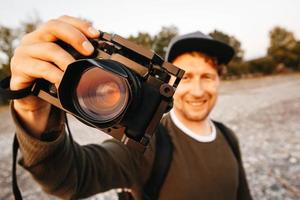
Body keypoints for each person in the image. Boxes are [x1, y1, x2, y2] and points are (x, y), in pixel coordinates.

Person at [10, 15, 252, 200]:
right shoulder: (148, 145)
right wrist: (32, 111)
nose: (198, 91)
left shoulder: (228, 137)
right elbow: (69, 177)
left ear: (220, 79)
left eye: (207, 77)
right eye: (187, 78)